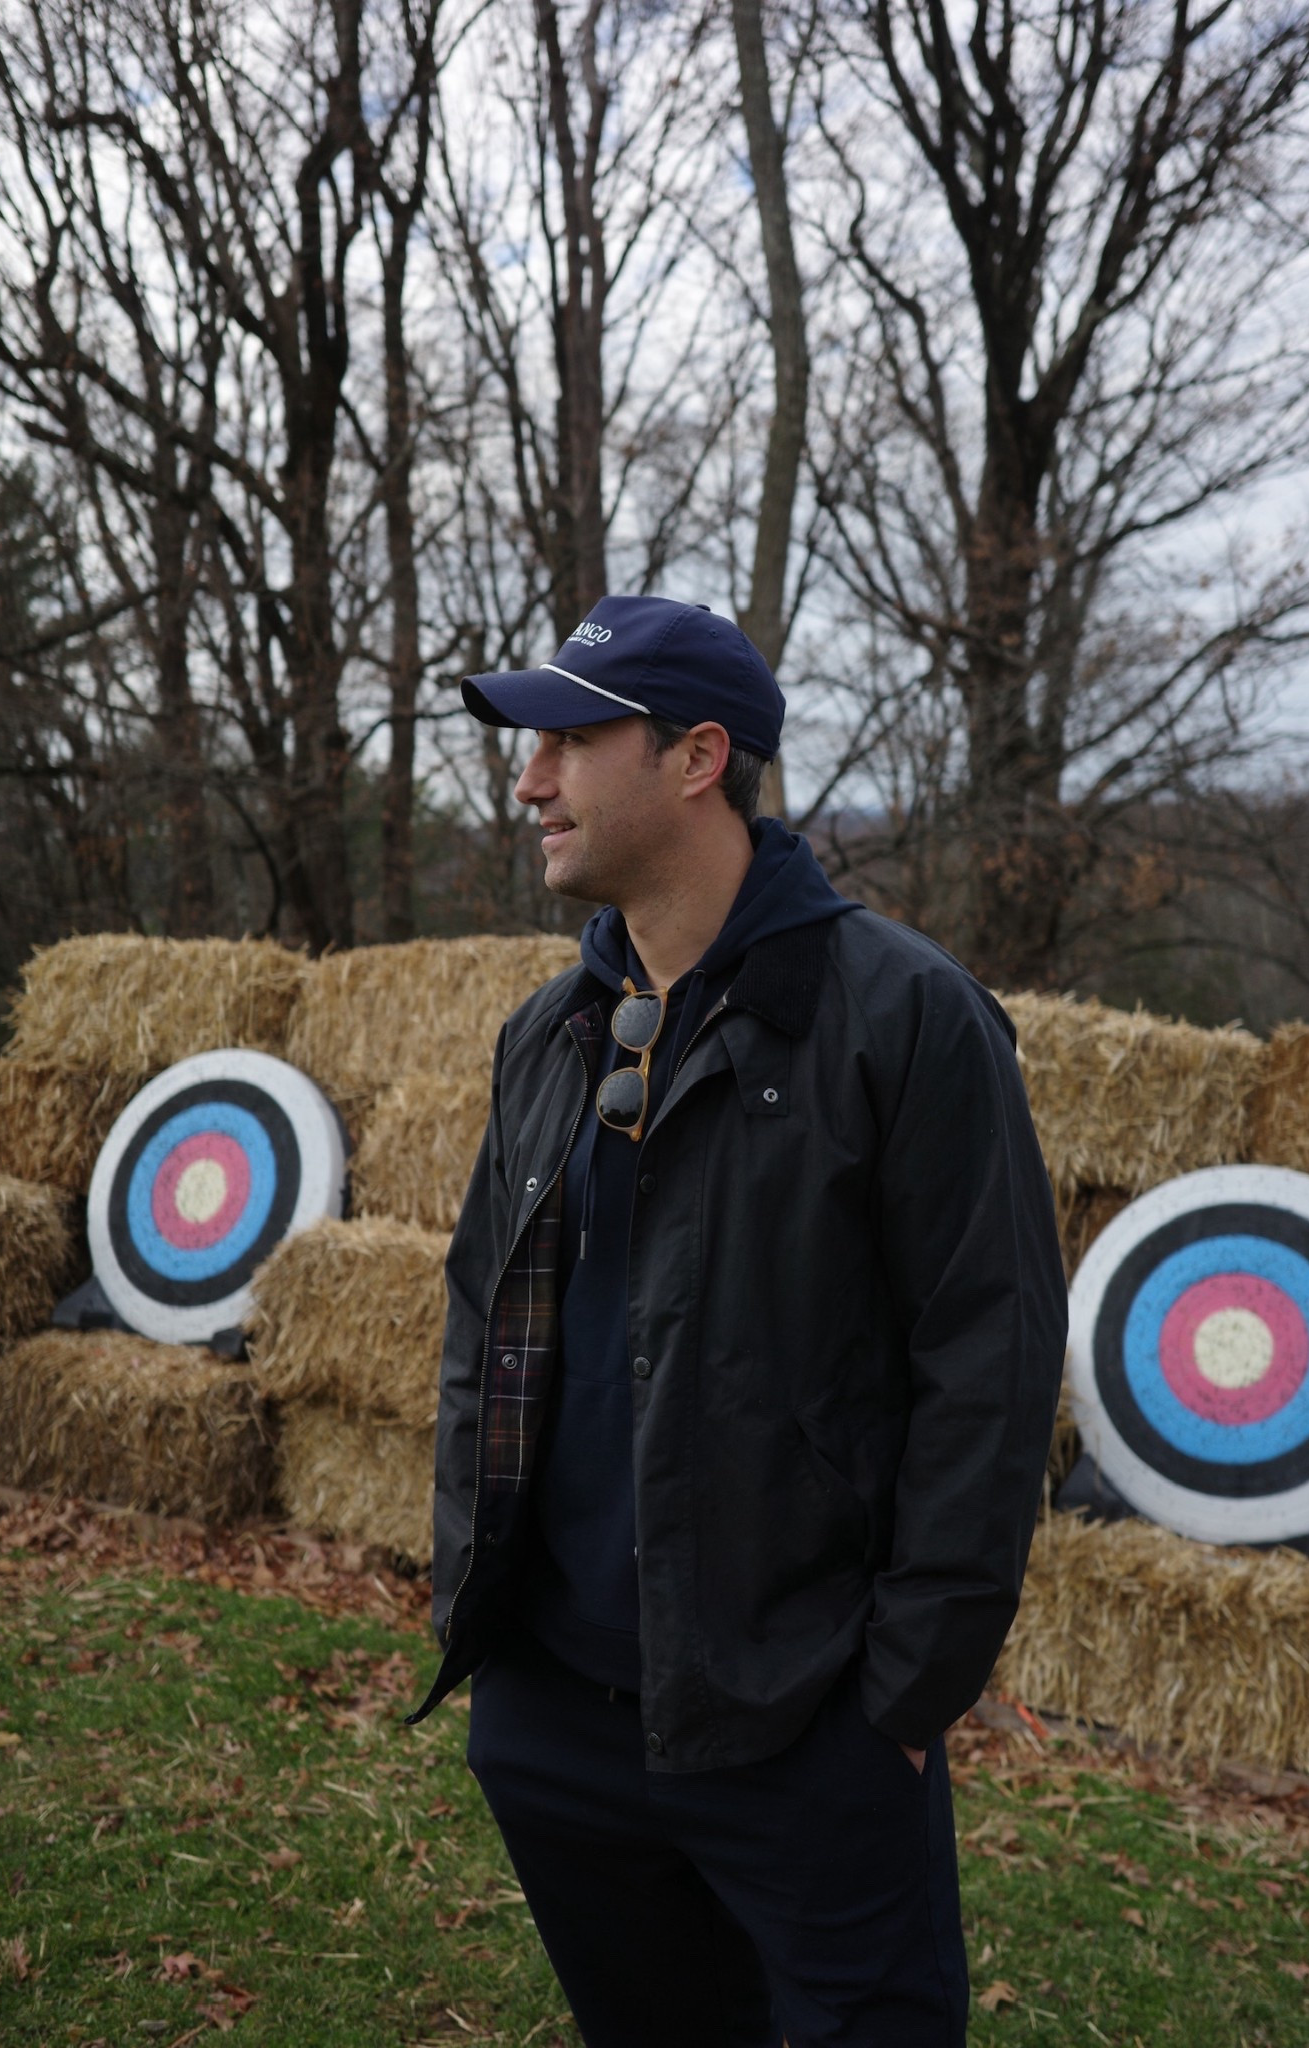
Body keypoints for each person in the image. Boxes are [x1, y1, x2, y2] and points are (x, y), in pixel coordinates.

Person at [406, 593, 1067, 2048]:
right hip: (554, 1723)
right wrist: (484, 1621)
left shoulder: (908, 1021)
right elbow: (479, 1322)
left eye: (568, 741)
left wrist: (901, 1700)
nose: (528, 781)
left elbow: (991, 1370)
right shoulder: (547, 1030)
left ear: (696, 758)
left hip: (805, 1730)